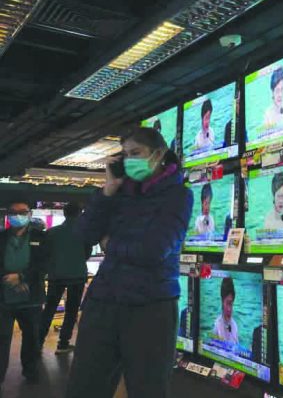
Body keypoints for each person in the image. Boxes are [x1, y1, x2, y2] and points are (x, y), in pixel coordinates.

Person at [65, 127, 193, 398]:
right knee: (83, 387)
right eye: (125, 155)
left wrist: (110, 245)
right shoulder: (119, 192)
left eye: (136, 153)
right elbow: (83, 235)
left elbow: (154, 250)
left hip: (151, 307)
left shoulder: (179, 196)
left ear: (158, 154)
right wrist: (108, 190)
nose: (129, 160)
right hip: (104, 301)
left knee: (148, 389)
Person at [0, 200, 47, 385]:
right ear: (8, 215)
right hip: (4, 298)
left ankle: (31, 372)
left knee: (31, 338)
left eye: (22, 212)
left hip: (31, 298)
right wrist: (7, 278)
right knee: (2, 339)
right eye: (14, 212)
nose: (18, 215)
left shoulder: (41, 238)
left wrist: (21, 277)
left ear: (29, 214)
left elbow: (43, 264)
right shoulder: (2, 237)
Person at [39, 202, 88, 355]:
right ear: (80, 214)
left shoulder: (52, 232)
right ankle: (63, 344)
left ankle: (37, 343)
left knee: (49, 310)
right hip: (77, 276)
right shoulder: (84, 233)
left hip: (56, 276)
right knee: (71, 311)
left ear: (64, 214)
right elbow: (87, 253)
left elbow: (45, 254)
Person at [213, 277, 238, 344]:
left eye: (231, 304)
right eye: (227, 303)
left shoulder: (234, 326)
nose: (229, 309)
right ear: (222, 301)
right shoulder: (216, 327)